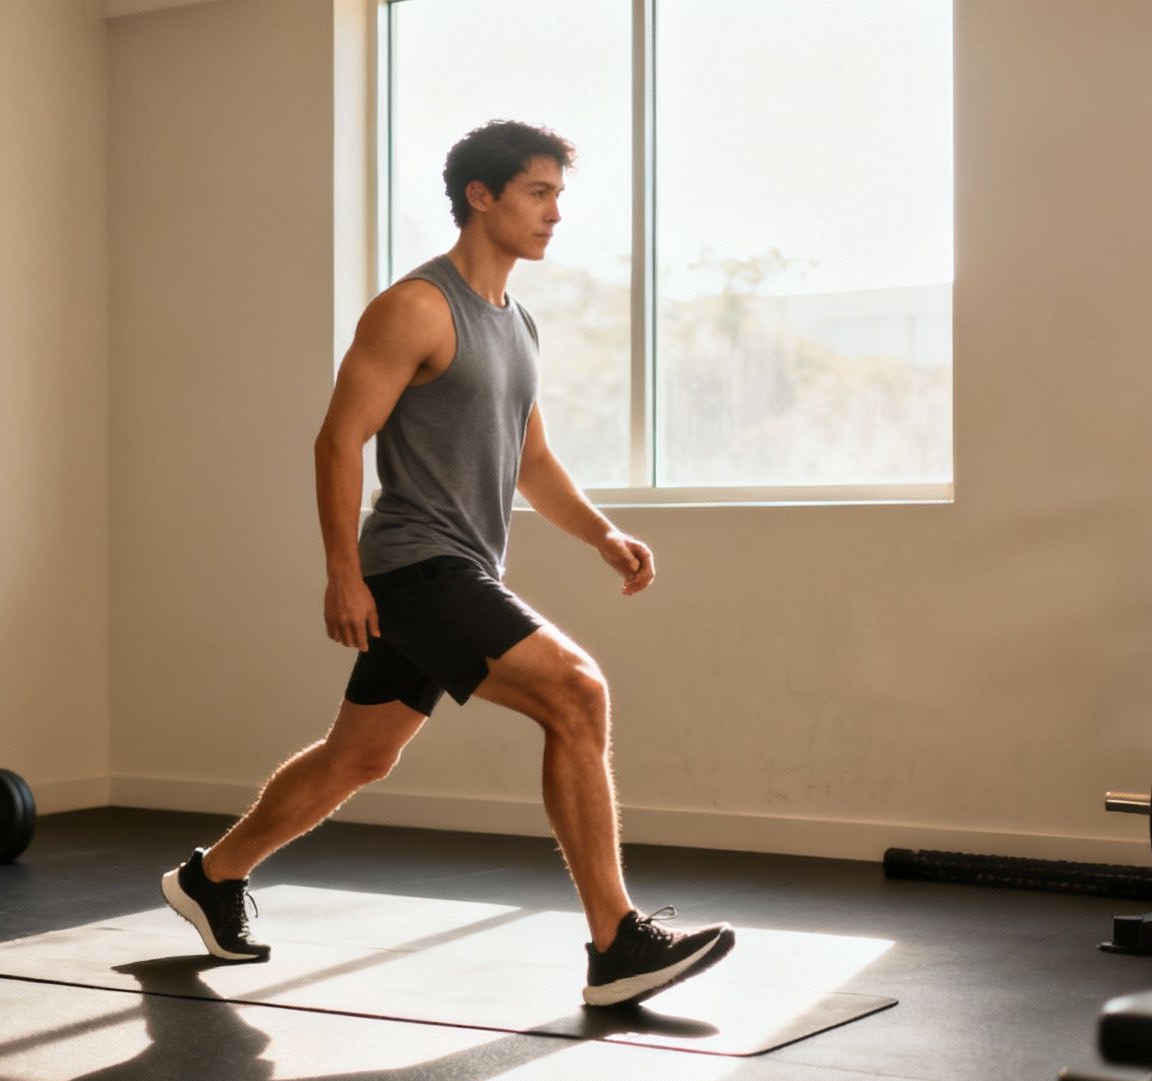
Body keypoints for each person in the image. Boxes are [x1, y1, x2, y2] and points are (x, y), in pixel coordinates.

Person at [162, 120, 734, 1007]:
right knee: (577, 693)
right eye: (538, 193)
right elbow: (338, 439)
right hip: (415, 565)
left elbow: (532, 463)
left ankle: (213, 877)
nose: (554, 214)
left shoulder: (517, 323)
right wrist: (342, 572)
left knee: (358, 758)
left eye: (558, 196)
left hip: (461, 566)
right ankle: (616, 942)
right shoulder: (416, 308)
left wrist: (602, 535)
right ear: (482, 196)